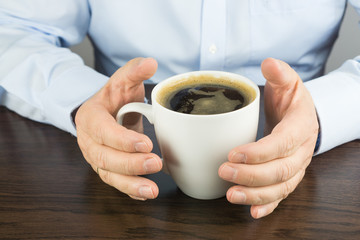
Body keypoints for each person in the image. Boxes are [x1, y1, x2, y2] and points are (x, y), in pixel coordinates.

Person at [0, 1, 359, 219]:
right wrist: (84, 102)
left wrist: (320, 111)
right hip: (125, 147)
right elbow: (12, 29)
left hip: (302, 154)